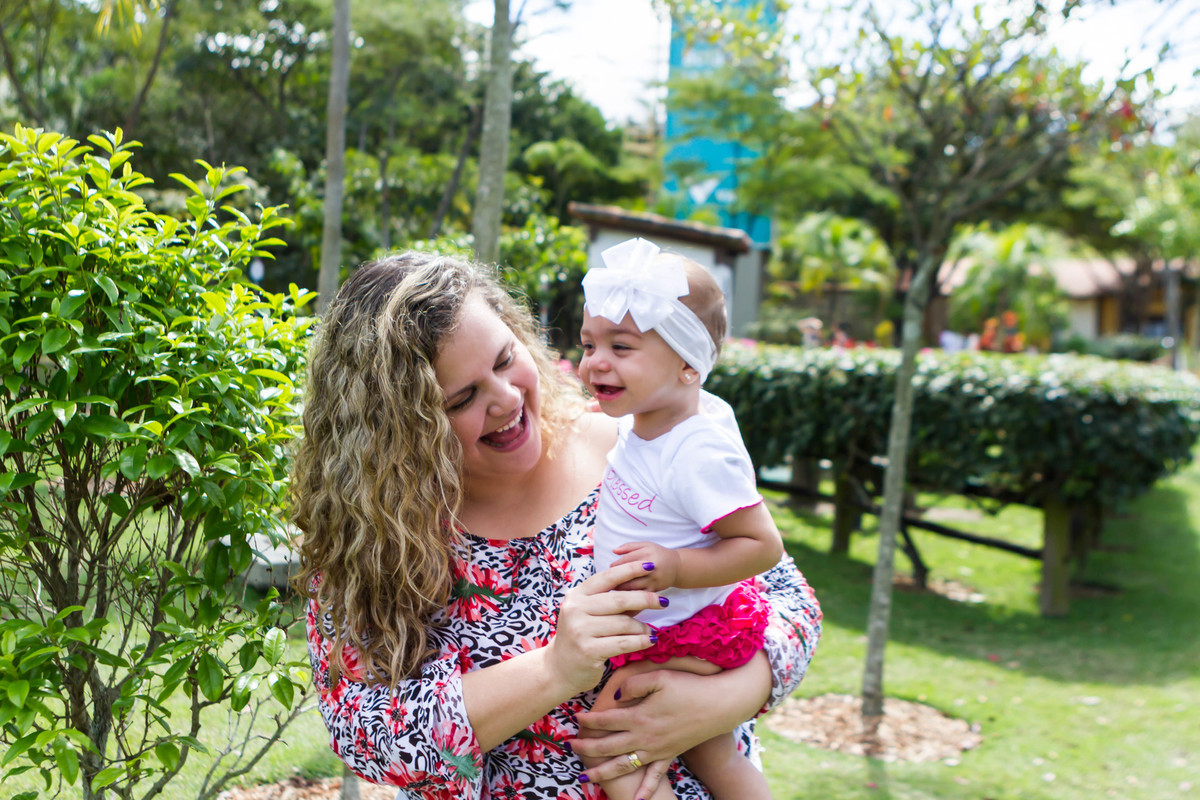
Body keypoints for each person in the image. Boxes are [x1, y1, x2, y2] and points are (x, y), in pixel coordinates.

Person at [291, 250, 822, 800]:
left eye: (503, 361)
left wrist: (730, 697)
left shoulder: (638, 447)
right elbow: (364, 734)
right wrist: (555, 669)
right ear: (398, 430)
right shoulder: (377, 538)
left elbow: (791, 599)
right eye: (462, 398)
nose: (505, 399)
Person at [577, 238, 782, 800]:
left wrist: (675, 566)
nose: (595, 361)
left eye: (621, 347)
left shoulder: (695, 451)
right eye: (588, 344)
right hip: (664, 625)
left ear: (688, 365)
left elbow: (762, 545)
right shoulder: (645, 423)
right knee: (712, 753)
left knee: (610, 739)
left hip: (692, 630)